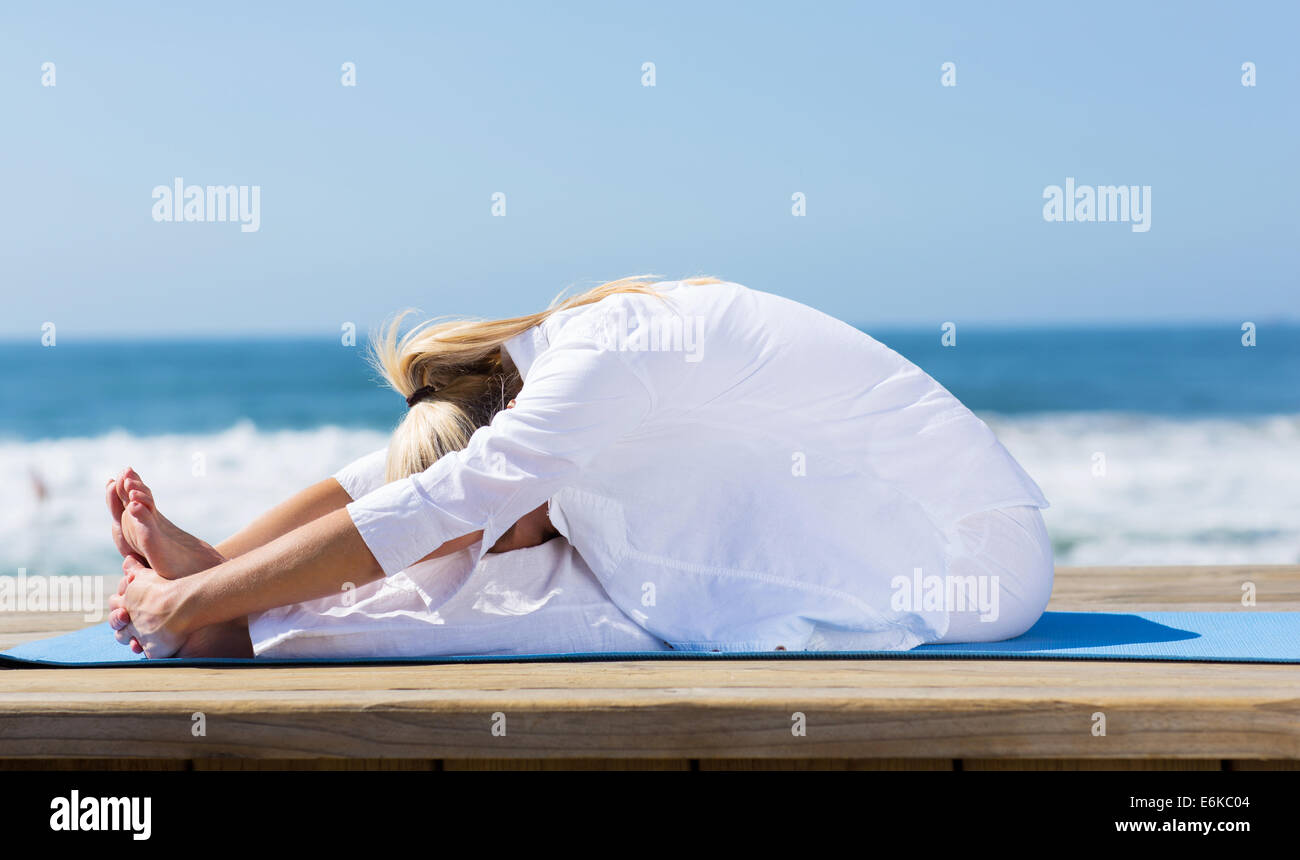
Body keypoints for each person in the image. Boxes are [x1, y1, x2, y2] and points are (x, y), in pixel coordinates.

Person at [108, 276, 1054, 658]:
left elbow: (442, 502)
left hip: (961, 563)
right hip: (848, 514)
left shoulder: (594, 365)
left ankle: (251, 629)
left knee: (513, 590)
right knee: (497, 553)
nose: (495, 542)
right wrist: (217, 562)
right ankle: (243, 609)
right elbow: (386, 486)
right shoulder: (531, 373)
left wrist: (190, 605)